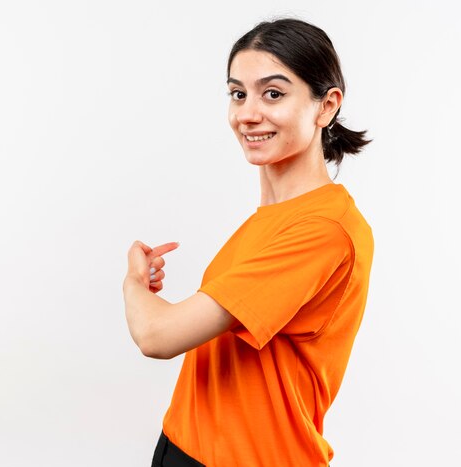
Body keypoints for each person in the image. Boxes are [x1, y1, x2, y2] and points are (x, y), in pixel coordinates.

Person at [123, 17, 374, 467]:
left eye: (273, 93)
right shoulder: (271, 220)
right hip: (184, 445)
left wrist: (134, 285)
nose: (247, 113)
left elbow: (156, 336)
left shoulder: (322, 230)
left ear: (326, 106)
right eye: (238, 93)